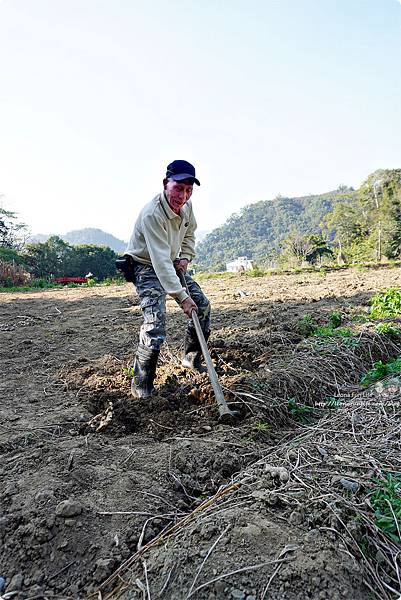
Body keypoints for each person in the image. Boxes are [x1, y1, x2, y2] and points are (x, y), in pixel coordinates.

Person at [124, 160, 211, 398]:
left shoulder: (187, 207)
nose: (182, 196)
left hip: (171, 262)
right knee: (155, 324)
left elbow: (190, 233)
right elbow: (160, 264)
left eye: (188, 190)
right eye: (178, 188)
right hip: (145, 265)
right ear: (165, 184)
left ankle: (191, 360)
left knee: (202, 306)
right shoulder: (152, 214)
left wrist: (185, 257)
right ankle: (141, 385)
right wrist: (182, 298)